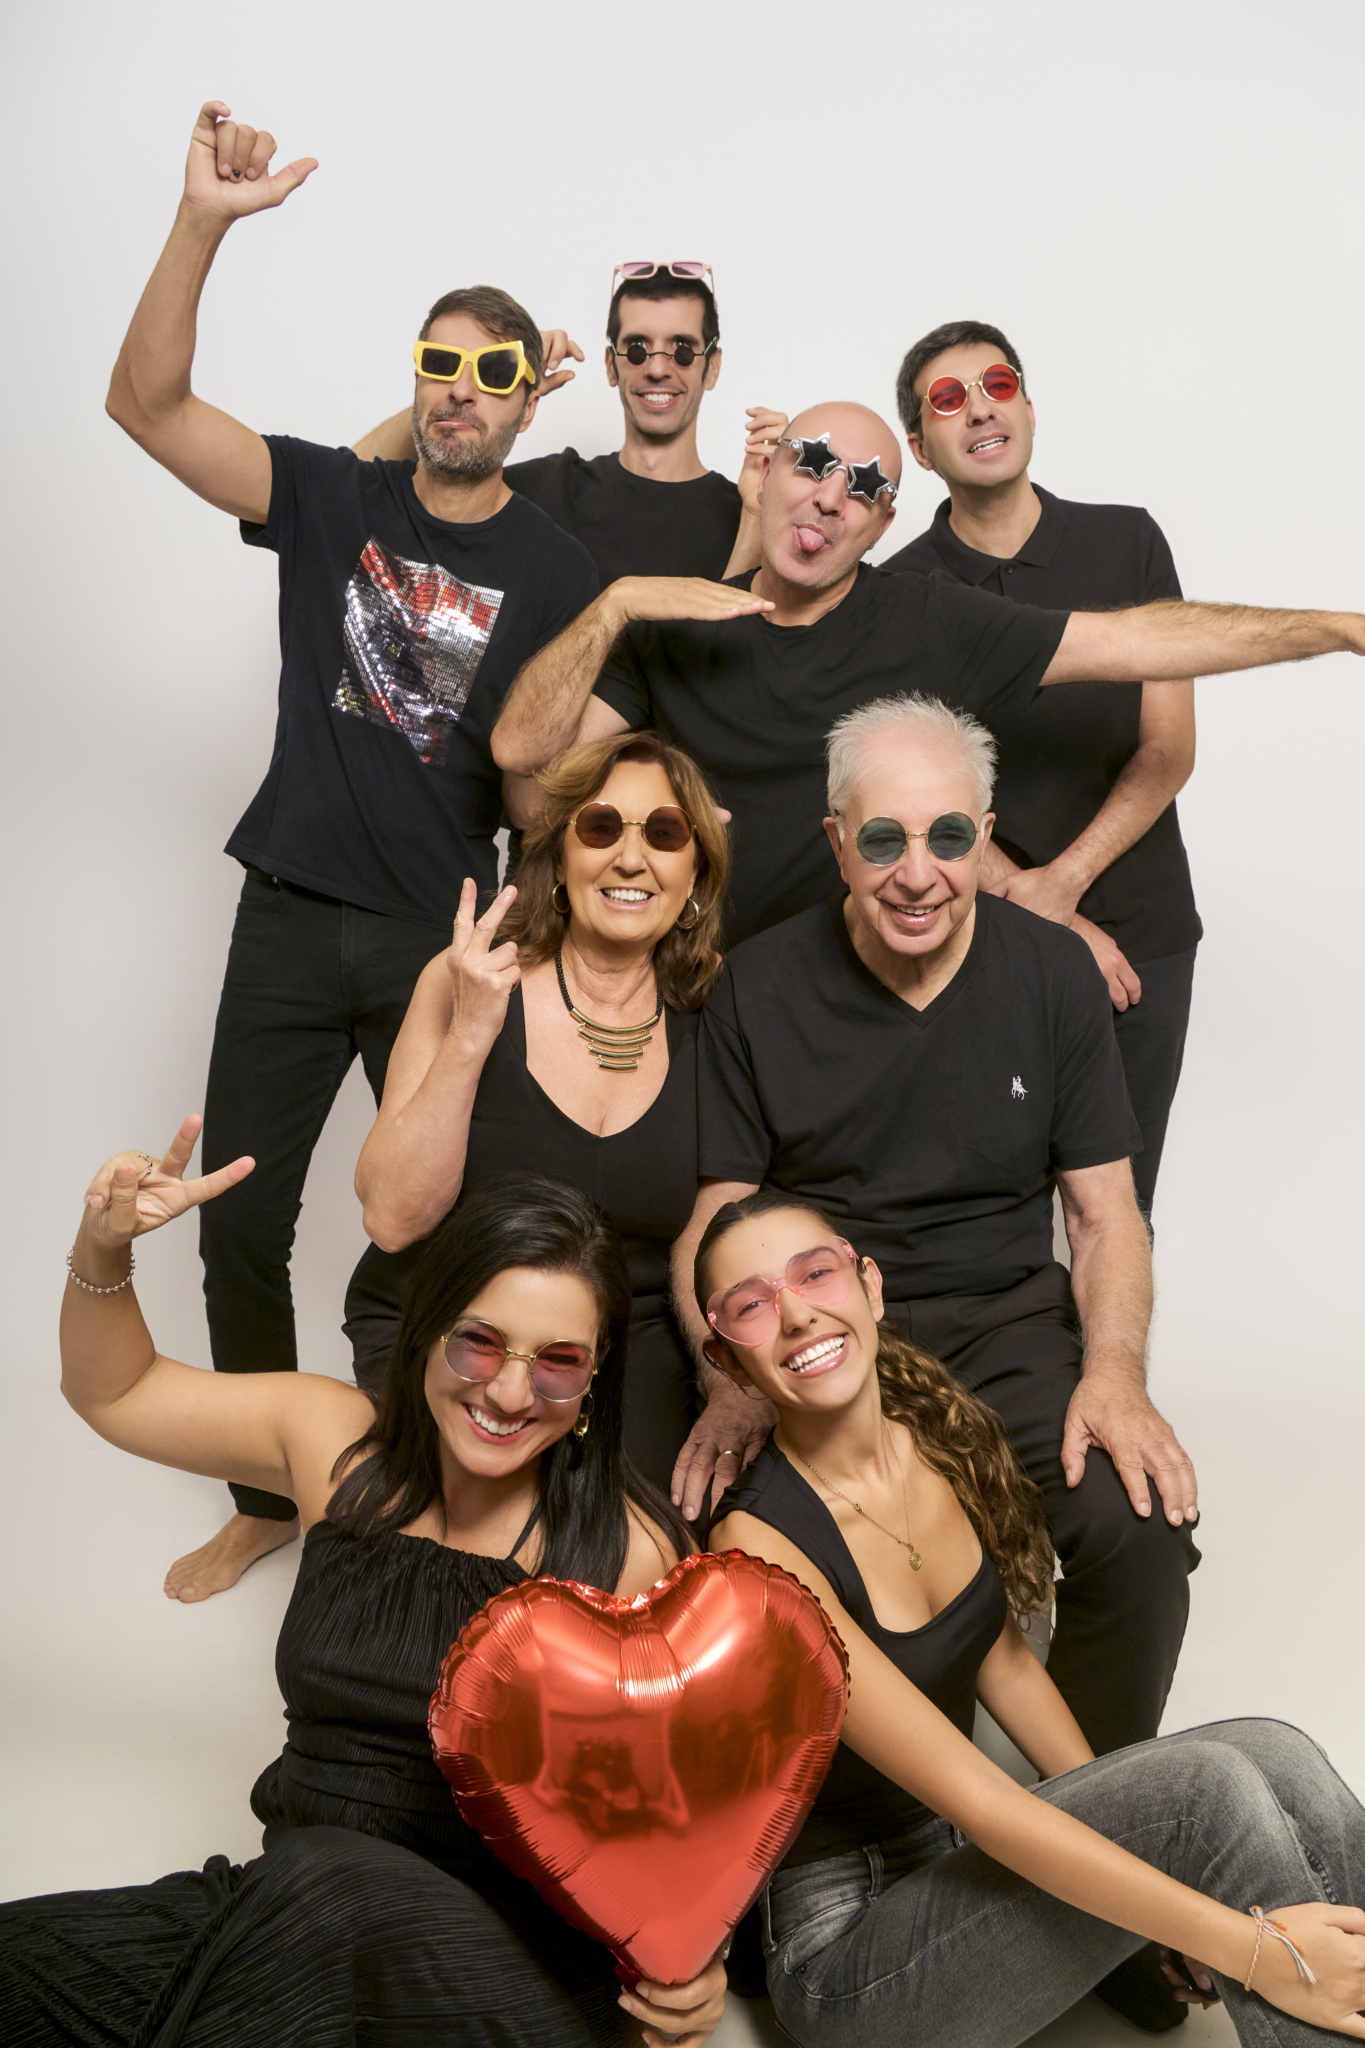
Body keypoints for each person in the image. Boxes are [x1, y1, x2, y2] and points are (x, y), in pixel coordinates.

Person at [105, 101, 605, 1602]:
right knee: (241, 1222)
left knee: (440, 1235)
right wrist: (205, 221)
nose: (460, 389)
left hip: (433, 943)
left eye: (492, 371)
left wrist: (526, 943)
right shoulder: (334, 497)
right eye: (438, 363)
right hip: (288, 913)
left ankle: (424, 1488)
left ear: (530, 402)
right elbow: (147, 406)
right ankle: (271, 1492)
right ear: (417, 381)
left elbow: (552, 776)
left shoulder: (560, 567)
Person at [0, 1128, 726, 2048]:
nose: (508, 1392)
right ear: (428, 1332)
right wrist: (105, 1244)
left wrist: (700, 1968)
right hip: (282, 1921)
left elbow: (693, 1813)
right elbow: (118, 1390)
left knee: (335, 1880)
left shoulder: (630, 1551)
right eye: (481, 1343)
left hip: (496, 1971)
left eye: (556, 1360)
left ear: (592, 1384)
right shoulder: (335, 1450)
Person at [696, 1189, 1365, 2048]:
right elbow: (984, 1802)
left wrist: (1156, 1863)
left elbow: (1005, 1665)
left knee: (1275, 1757)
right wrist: (1248, 1948)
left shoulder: (928, 1438)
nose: (794, 1313)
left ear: (869, 1287)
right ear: (728, 1357)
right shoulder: (758, 1547)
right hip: (850, 1957)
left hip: (957, 1874)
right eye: (751, 1305)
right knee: (1207, 1794)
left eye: (814, 1273)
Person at [674, 693, 1195, 1772]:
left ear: (985, 832)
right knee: (736, 1564)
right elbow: (715, 1222)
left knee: (1140, 1533)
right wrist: (732, 1383)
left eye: (951, 836)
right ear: (836, 841)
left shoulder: (1052, 972)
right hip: (833, 1337)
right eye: (884, 838)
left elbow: (1104, 1216)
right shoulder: (755, 987)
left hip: (1011, 1326)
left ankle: (1098, 1831)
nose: (920, 872)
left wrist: (1115, 1373)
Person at [488, 394, 1365, 950]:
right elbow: (523, 762)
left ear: (880, 524)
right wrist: (613, 607)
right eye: (814, 465)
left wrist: (1338, 628)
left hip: (849, 1001)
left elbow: (1134, 643)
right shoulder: (675, 621)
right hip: (685, 985)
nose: (830, 497)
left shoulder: (923, 615)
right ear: (769, 475)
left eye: (862, 489)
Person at [347, 731, 729, 1496]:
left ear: (694, 876)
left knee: (628, 1580)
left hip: (628, 1347)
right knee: (479, 1560)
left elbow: (716, 1221)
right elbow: (393, 1219)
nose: (630, 858)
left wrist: (730, 1380)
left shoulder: (722, 1006)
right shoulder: (471, 982)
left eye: (663, 833)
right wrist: (471, 1033)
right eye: (599, 828)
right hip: (461, 1331)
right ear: (557, 860)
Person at [882, 319, 1200, 1218]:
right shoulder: (900, 592)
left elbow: (1168, 747)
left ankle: (1111, 1369)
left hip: (1144, 930)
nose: (979, 408)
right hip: (981, 938)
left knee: (1120, 1213)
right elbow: (911, 797)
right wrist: (1039, 914)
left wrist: (1064, 886)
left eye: (996, 383)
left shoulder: (1127, 543)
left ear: (1025, 401)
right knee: (997, 1210)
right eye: (947, 400)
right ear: (920, 446)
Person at [355, 260, 788, 584]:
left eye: (682, 350)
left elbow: (739, 666)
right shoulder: (549, 488)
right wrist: (502, 381)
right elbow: (354, 487)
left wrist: (757, 513)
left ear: (711, 368)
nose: (657, 368)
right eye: (636, 348)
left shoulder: (747, 513)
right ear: (610, 365)